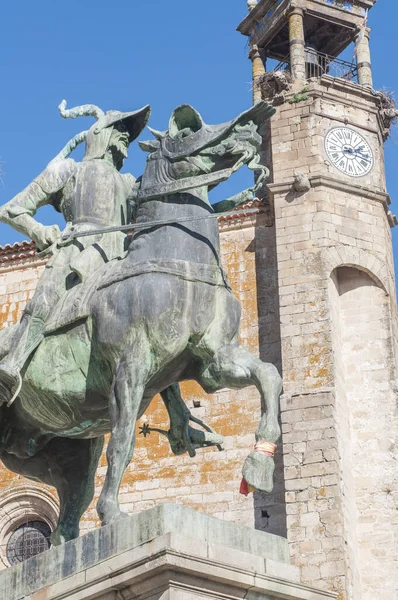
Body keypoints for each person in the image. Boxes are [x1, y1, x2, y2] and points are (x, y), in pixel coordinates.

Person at [0, 100, 151, 403]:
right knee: (44, 301)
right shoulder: (67, 170)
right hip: (78, 251)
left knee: (148, 323)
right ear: (101, 134)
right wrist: (41, 231)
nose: (126, 137)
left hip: (120, 257)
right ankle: (11, 367)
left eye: (128, 131)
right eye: (120, 129)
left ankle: (178, 416)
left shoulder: (128, 183)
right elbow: (12, 210)